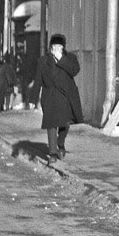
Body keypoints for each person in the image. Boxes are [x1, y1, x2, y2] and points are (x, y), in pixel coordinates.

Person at [35, 34, 83, 163]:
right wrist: (33, 98)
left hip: (66, 96)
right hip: (49, 96)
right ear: (50, 47)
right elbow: (38, 79)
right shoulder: (43, 60)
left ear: (63, 48)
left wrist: (61, 59)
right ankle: (52, 153)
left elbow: (74, 71)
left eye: (59, 46)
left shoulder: (70, 58)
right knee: (51, 124)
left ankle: (60, 142)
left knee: (65, 123)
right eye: (54, 46)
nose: (57, 48)